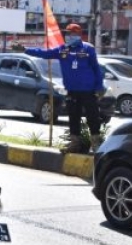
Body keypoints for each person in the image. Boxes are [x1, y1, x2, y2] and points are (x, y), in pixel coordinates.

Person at [24, 23, 104, 153]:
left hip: (88, 91)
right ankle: (75, 143)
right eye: (67, 33)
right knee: (73, 117)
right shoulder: (63, 50)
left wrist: (99, 86)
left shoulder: (88, 49)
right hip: (72, 91)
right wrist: (26, 49)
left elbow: (96, 69)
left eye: (71, 33)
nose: (68, 36)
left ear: (79, 35)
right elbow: (45, 53)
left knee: (93, 116)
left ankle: (95, 143)